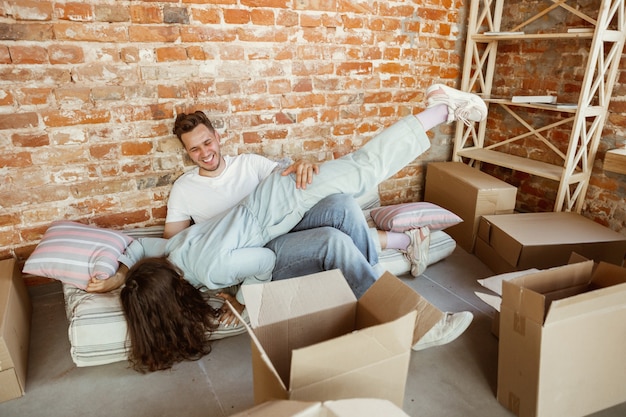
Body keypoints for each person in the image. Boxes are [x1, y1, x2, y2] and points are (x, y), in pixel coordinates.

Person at [119, 84, 487, 372]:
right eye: (194, 149)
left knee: (360, 175)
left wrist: (244, 299)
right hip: (277, 212)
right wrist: (122, 275)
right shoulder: (175, 249)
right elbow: (142, 248)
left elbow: (260, 261)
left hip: (282, 200)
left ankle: (442, 107)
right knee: (361, 173)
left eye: (207, 142)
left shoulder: (199, 264)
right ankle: (409, 318)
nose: (204, 152)